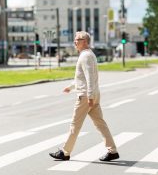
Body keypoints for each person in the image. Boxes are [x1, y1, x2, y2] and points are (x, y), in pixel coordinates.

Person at [49, 31, 119, 162]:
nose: (75, 41)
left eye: (78, 39)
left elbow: (89, 78)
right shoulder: (88, 54)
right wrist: (70, 87)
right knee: (100, 123)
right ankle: (112, 151)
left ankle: (65, 152)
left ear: (85, 41)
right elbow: (82, 78)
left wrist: (90, 97)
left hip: (86, 96)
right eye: (75, 39)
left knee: (75, 125)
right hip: (92, 94)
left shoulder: (85, 56)